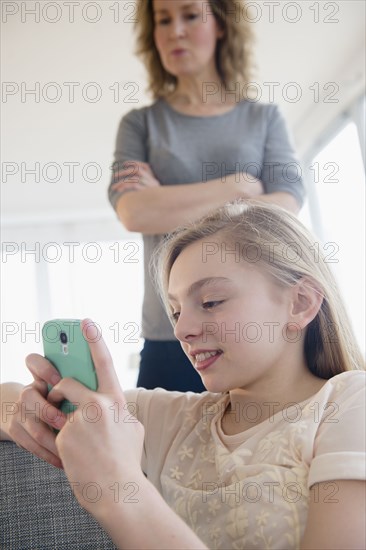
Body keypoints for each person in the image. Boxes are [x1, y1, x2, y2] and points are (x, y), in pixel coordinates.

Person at [1, 202, 365, 549]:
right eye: (175, 312)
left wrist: (120, 489)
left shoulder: (349, 403)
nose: (182, 330)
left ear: (300, 302)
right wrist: (25, 408)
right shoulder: (169, 419)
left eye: (210, 302)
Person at [108, 0, 305, 392]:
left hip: (260, 330)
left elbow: (285, 208)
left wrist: (164, 200)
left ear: (220, 25)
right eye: (162, 20)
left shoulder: (263, 119)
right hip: (170, 334)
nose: (174, 31)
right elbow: (133, 211)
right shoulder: (139, 125)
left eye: (189, 15)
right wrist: (237, 188)